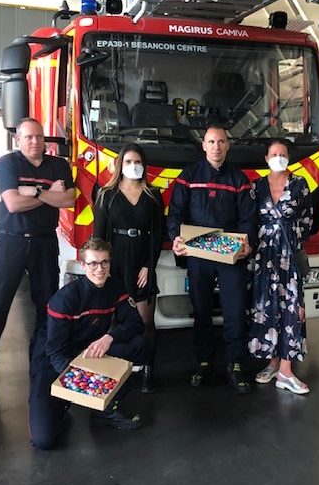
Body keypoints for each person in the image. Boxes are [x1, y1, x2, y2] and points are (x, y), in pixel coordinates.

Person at [0, 118, 75, 387]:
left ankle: (41, 358)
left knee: (46, 304)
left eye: (39, 137)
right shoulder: (8, 163)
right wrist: (47, 192)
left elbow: (68, 200)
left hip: (44, 242)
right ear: (18, 139)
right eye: (28, 137)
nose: (34, 141)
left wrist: (32, 191)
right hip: (11, 241)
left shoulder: (59, 165)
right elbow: (13, 203)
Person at [29, 237, 147, 450]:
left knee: (139, 344)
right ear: (83, 265)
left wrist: (110, 336)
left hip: (89, 353)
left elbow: (136, 324)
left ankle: (106, 410)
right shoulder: (64, 299)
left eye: (105, 262)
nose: (100, 269)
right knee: (43, 440)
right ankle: (62, 402)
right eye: (93, 263)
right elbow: (55, 351)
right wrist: (79, 385)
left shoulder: (116, 288)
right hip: (53, 362)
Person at [167, 124, 256, 394]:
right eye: (211, 142)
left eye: (221, 142)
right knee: (202, 311)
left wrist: (248, 245)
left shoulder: (239, 179)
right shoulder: (188, 176)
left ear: (228, 146)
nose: (216, 147)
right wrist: (176, 238)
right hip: (198, 255)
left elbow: (248, 218)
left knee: (235, 312)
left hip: (231, 257)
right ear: (203, 146)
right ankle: (203, 363)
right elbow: (175, 213)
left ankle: (236, 365)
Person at [93, 143, 164, 393]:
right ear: (119, 165)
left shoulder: (153, 195)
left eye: (137, 162)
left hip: (142, 265)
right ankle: (116, 370)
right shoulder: (106, 194)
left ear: (144, 166)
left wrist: (148, 266)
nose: (133, 166)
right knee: (114, 321)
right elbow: (98, 237)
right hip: (116, 264)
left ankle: (147, 370)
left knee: (146, 322)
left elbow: (157, 235)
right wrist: (104, 269)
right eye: (128, 161)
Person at [248, 139, 313, 394]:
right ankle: (273, 362)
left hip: (288, 260)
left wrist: (291, 239)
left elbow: (307, 219)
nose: (278, 158)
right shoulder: (256, 187)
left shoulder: (300, 185)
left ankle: (286, 371)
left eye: (283, 154)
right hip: (263, 259)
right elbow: (249, 220)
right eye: (274, 154)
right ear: (266, 158)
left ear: (289, 158)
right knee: (267, 308)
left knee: (292, 310)